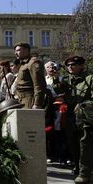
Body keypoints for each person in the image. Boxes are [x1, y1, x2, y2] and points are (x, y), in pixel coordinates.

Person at [56, 56, 93, 184]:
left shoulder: (90, 78)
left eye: (74, 64)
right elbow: (57, 90)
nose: (70, 67)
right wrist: (56, 78)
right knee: (73, 145)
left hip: (86, 118)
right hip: (71, 118)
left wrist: (83, 105)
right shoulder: (67, 80)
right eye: (68, 65)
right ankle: (78, 168)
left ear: (81, 65)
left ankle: (85, 174)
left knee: (85, 145)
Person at [13, 42, 46, 109]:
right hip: (21, 99)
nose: (15, 53)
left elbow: (38, 84)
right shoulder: (24, 64)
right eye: (15, 51)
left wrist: (37, 103)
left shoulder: (33, 62)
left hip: (29, 100)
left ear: (26, 50)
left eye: (18, 50)